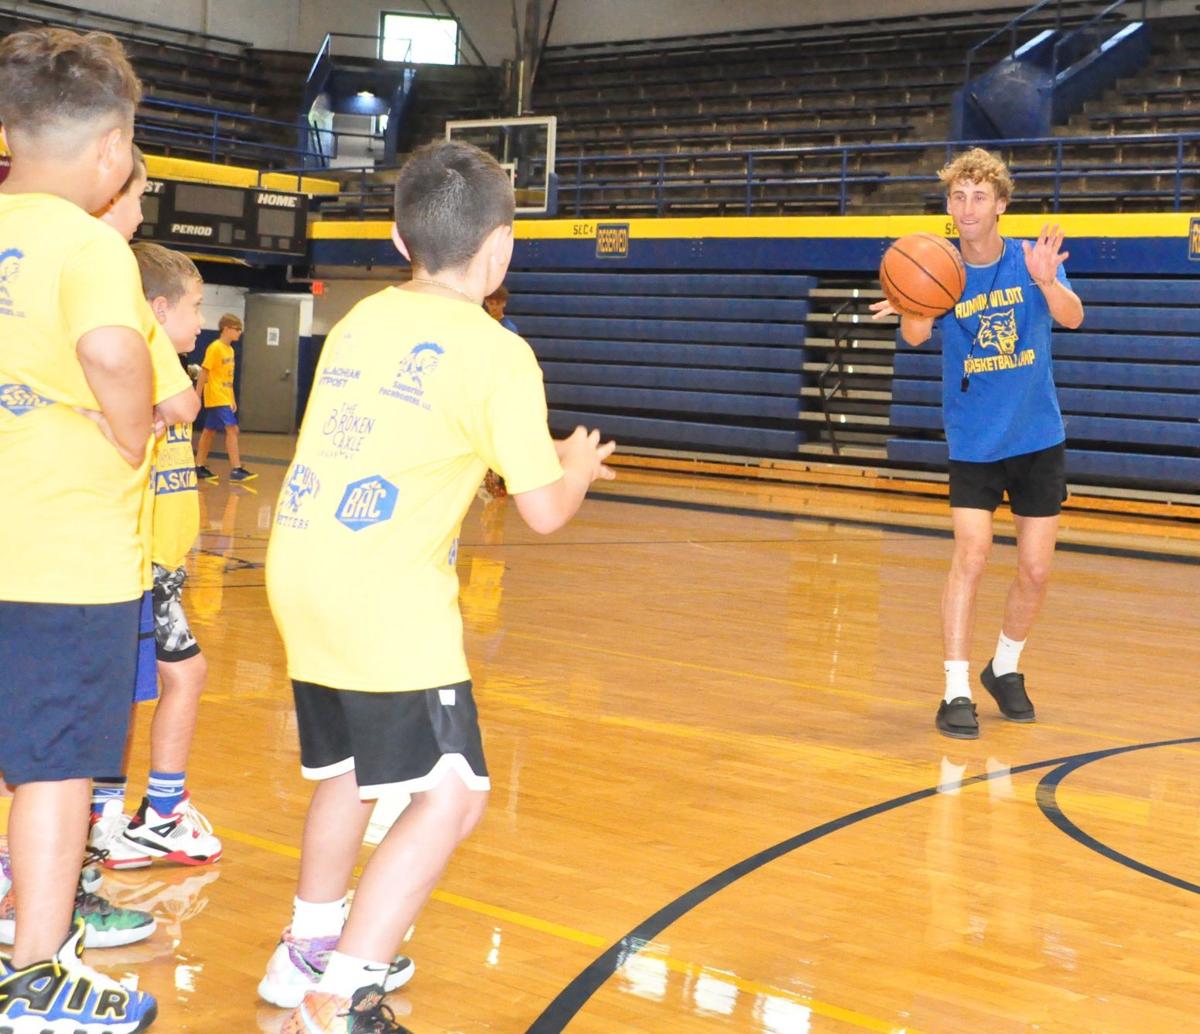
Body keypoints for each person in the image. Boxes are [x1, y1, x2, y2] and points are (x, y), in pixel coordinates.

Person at [261, 140, 616, 1033]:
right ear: (502, 248)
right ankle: (343, 995)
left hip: (301, 569)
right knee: (453, 792)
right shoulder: (497, 351)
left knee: (350, 771)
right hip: (383, 594)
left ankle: (307, 947)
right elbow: (544, 510)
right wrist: (576, 466)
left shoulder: (360, 318)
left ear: (397, 238)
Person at [0, 26, 159, 1032]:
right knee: (55, 768)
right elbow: (110, 349)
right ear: (112, 149)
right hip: (60, 557)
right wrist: (132, 429)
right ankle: (34, 979)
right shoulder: (91, 243)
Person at [871, 147, 1084, 740]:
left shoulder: (1029, 260)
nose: (967, 208)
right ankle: (956, 687)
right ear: (948, 206)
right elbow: (916, 336)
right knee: (972, 554)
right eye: (958, 197)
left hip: (1037, 435)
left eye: (979, 197)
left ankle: (1005, 667)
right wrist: (912, 301)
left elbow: (1073, 318)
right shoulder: (939, 263)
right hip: (973, 439)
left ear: (1000, 205)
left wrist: (1047, 282)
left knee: (1035, 569)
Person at [89, 243, 223, 871]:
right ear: (157, 310)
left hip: (160, 565)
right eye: (195, 306)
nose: (202, 320)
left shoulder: (162, 367)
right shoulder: (140, 365)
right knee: (170, 680)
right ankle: (147, 813)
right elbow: (183, 408)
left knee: (137, 689)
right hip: (136, 564)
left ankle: (115, 812)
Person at [194, 313, 255, 483]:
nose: (239, 332)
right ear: (226, 329)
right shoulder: (215, 348)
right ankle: (236, 469)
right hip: (216, 395)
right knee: (232, 429)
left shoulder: (230, 350)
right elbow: (204, 372)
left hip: (224, 396)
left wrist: (232, 398)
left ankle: (199, 466)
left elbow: (229, 378)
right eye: (237, 329)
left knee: (209, 431)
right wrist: (197, 395)